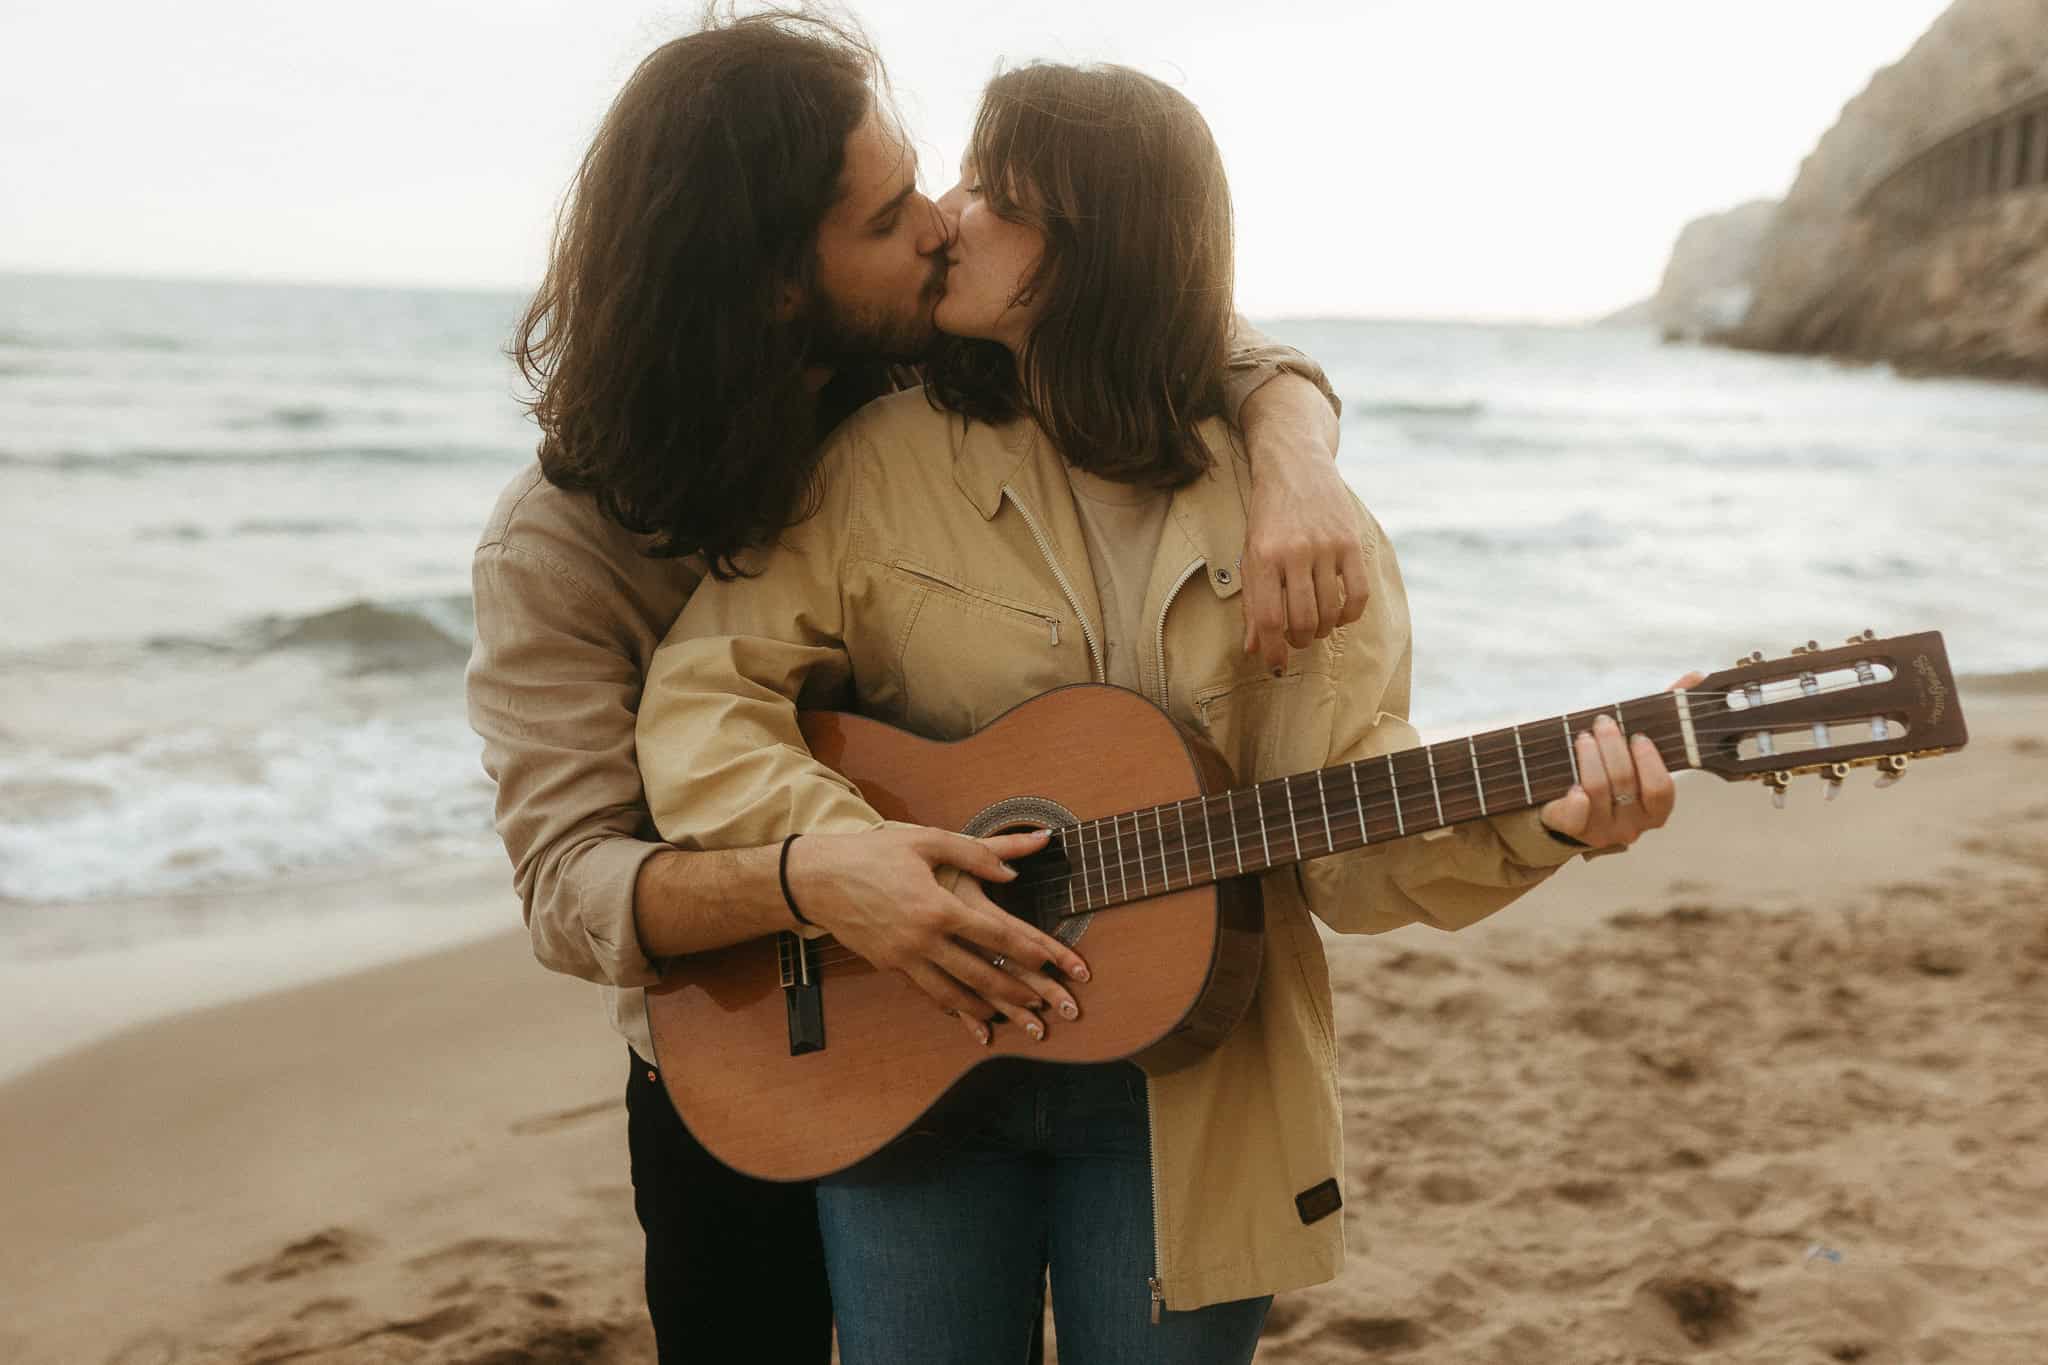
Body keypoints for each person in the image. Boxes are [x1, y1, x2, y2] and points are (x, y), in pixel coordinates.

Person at [632, 60, 1682, 1364]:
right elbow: (701, 699)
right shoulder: (876, 463)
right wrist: (846, 858)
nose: (950, 213)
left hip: (1186, 1092)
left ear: (1099, 253)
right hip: (907, 1052)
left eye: (997, 195)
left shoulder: (1298, 524)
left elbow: (1348, 852)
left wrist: (1554, 822)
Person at [465, 11, 1369, 1362]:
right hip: (745, 1041)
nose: (945, 224)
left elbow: (1157, 316)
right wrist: (818, 874)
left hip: (1000, 1019)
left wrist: (1294, 445)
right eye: (892, 214)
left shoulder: (919, 374)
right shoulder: (558, 543)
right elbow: (568, 885)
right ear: (779, 280)